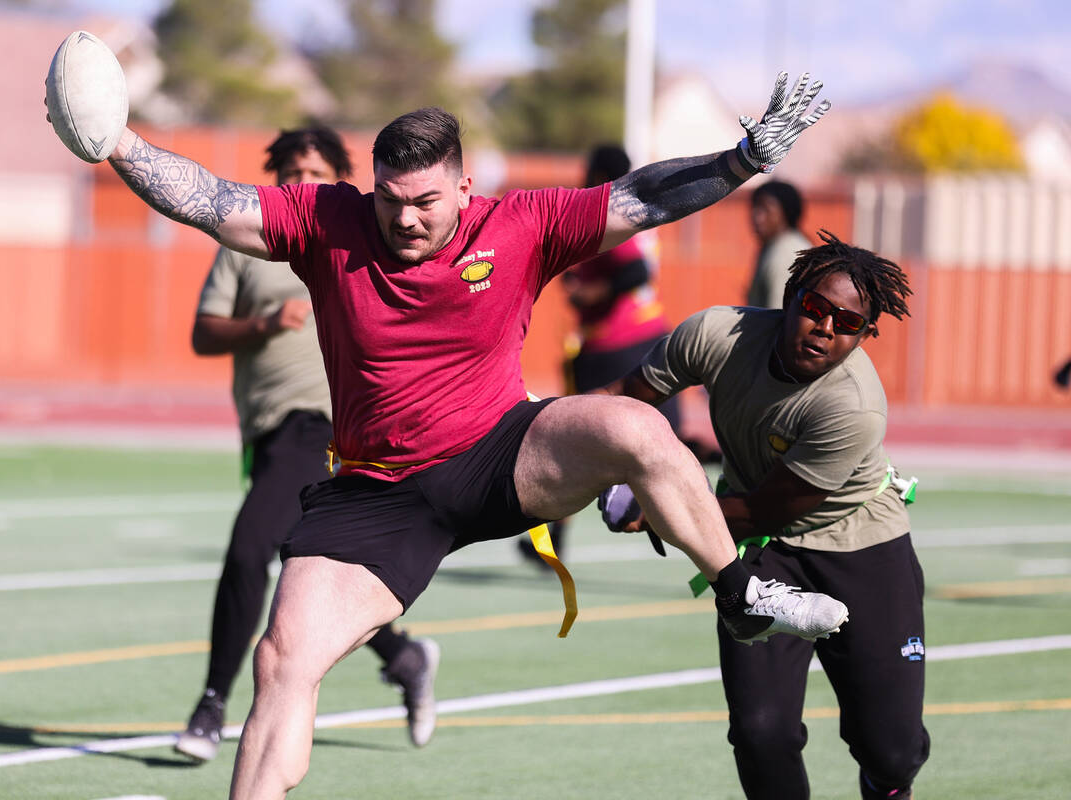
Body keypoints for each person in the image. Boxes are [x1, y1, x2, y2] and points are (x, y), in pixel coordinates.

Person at [60, 70, 846, 799]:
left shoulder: (522, 224)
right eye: (390, 198)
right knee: (282, 662)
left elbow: (640, 197)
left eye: (425, 201)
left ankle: (739, 595)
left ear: (464, 188)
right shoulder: (325, 220)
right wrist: (118, 141)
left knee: (636, 427)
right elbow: (210, 199)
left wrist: (743, 158)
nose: (405, 217)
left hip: (499, 456)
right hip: (376, 493)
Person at [604, 230, 928, 799]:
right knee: (760, 733)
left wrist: (655, 508)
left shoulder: (852, 407)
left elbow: (760, 511)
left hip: (858, 544)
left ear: (863, 335)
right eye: (815, 308)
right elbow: (623, 405)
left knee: (893, 751)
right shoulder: (715, 334)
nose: (826, 328)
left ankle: (887, 781)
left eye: (847, 323)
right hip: (766, 555)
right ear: (791, 296)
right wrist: (580, 453)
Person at [174, 128, 440, 763]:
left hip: (329, 427)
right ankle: (403, 657)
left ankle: (211, 705)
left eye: (317, 172)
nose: (302, 183)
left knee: (249, 552)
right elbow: (203, 334)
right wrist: (263, 324)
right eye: (292, 171)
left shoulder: (357, 237)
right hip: (267, 431)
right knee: (312, 567)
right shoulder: (250, 241)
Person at [518, 144, 675, 566]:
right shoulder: (637, 205)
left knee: (575, 440)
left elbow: (636, 268)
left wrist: (593, 291)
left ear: (601, 173)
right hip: (637, 335)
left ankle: (568, 529)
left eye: (589, 171)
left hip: (616, 343)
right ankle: (559, 535)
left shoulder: (611, 208)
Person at [747, 180, 811, 308]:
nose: (756, 217)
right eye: (755, 208)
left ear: (786, 212)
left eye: (765, 210)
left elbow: (777, 314)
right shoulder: (773, 246)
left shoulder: (784, 253)